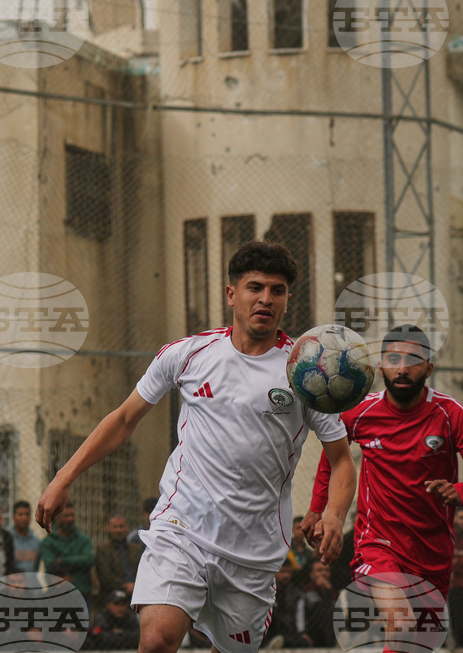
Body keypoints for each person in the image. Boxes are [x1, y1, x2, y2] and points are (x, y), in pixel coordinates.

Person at [36, 240, 357, 653]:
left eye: (277, 290)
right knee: (156, 641)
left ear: (287, 300)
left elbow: (342, 460)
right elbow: (122, 420)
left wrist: (333, 513)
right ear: (231, 294)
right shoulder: (189, 354)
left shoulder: (306, 373)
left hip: (254, 549)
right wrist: (64, 477)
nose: (266, 299)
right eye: (254, 287)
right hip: (182, 528)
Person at [305, 324, 463, 607]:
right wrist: (317, 508)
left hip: (434, 554)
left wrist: (460, 492)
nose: (402, 369)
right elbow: (333, 459)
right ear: (380, 367)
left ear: (429, 368)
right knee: (399, 621)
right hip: (378, 544)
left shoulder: (450, 414)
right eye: (394, 360)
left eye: (413, 361)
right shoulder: (361, 413)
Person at [41, 504, 94, 598]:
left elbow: (89, 560)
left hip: (81, 591)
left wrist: (61, 560)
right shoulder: (48, 542)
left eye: (72, 515)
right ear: (57, 518)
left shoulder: (83, 539)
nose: (70, 519)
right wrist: (79, 559)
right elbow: (51, 565)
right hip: (58, 593)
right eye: (66, 516)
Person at [95, 515, 144, 604]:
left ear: (126, 529)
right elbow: (105, 576)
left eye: (121, 527)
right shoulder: (103, 550)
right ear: (109, 529)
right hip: (112, 595)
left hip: (138, 592)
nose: (118, 530)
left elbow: (143, 570)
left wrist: (135, 585)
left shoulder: (136, 550)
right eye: (115, 527)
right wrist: (126, 587)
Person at [292, 561, 339, 648]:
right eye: (319, 570)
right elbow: (300, 613)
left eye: (326, 570)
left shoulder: (333, 592)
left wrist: (328, 590)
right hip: (312, 630)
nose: (323, 573)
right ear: (312, 575)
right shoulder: (306, 591)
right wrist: (302, 633)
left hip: (330, 631)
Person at [10, 500, 41, 573]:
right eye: (20, 514)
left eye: (27, 514)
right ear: (13, 517)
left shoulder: (36, 542)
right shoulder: (7, 539)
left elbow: (36, 566)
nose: (24, 518)